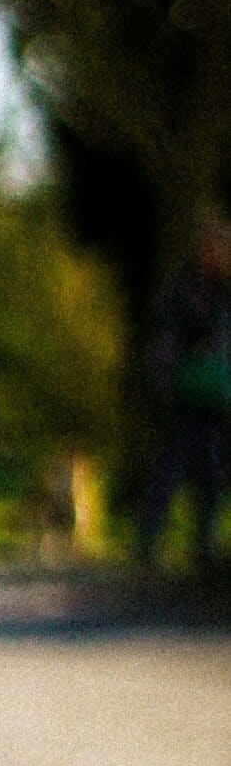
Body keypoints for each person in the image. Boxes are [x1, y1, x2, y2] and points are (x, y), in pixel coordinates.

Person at [139, 211, 231, 570]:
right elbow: (165, 336)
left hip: (217, 395)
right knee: (170, 467)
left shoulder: (223, 292)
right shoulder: (182, 287)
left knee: (214, 471)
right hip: (184, 389)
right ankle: (149, 541)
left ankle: (203, 543)